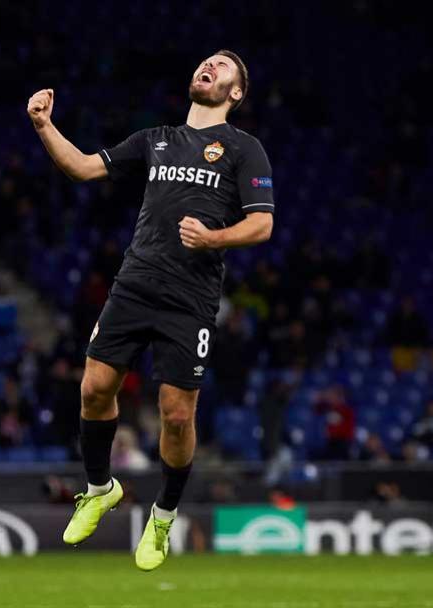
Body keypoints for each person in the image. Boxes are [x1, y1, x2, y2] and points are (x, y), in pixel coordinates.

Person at [28, 49, 274, 570]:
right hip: (135, 283)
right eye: (205, 62)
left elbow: (262, 224)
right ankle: (99, 488)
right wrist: (45, 125)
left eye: (223, 68)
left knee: (177, 414)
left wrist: (213, 238)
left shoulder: (242, 149)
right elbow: (83, 167)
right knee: (93, 388)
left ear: (235, 93)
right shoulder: (156, 139)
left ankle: (162, 517)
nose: (208, 67)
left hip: (191, 297)